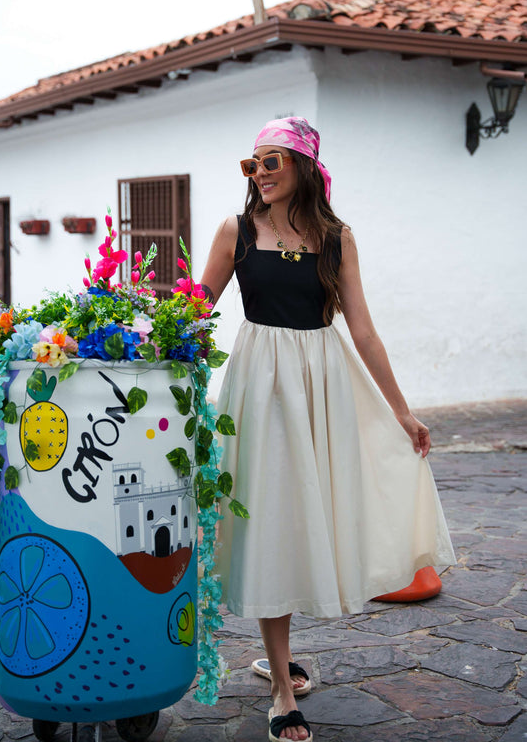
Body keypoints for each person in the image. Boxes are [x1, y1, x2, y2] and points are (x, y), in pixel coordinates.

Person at [200, 117, 455, 742]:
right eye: (252, 163)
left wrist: (401, 410)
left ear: (303, 168)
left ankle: (282, 661)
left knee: (306, 518)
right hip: (260, 388)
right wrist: (133, 348)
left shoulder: (337, 239)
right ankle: (283, 689)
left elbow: (362, 329)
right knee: (268, 521)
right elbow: (192, 310)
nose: (258, 174)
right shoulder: (236, 231)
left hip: (320, 385)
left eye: (271, 162)